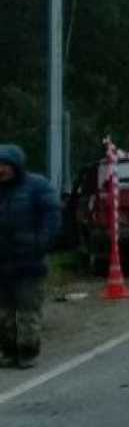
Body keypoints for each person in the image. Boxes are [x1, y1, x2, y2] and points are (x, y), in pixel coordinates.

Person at [0, 145, 61, 369]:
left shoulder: (37, 186)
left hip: (30, 262)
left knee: (28, 310)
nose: (1, 170)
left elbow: (52, 217)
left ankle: (27, 351)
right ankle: (8, 351)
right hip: (2, 262)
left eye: (5, 165)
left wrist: (40, 244)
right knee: (4, 313)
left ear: (16, 166)